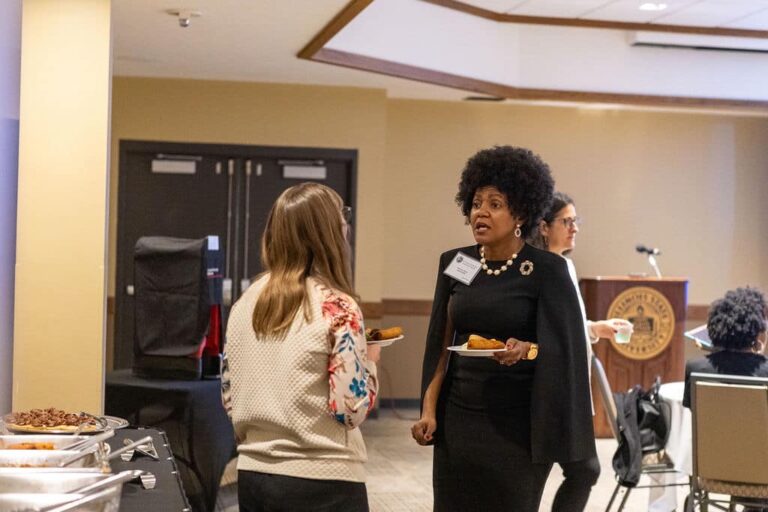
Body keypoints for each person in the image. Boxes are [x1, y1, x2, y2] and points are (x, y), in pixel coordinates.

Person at [411, 146, 596, 512]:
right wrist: (428, 410)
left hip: (519, 425)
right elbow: (439, 345)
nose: (481, 212)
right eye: (476, 203)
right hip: (458, 419)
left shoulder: (547, 270)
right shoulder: (457, 262)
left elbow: (565, 351)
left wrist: (527, 349)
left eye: (495, 204)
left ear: (520, 214)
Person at [221, 182, 380, 512]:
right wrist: (371, 363)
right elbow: (350, 411)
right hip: (325, 480)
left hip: (254, 476)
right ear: (329, 234)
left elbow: (229, 397)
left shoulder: (244, 304)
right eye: (342, 219)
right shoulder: (338, 307)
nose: (346, 227)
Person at [531, 191, 632, 511]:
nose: (574, 228)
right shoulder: (539, 269)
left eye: (576, 221)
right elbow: (548, 329)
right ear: (544, 227)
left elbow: (566, 325)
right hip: (551, 387)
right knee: (576, 470)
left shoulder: (566, 266)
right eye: (567, 221)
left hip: (569, 386)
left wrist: (595, 328)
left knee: (582, 470)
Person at [683, 287, 768, 408]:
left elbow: (694, 410)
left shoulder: (695, 367)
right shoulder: (765, 370)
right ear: (757, 330)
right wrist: (759, 356)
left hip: (711, 421)